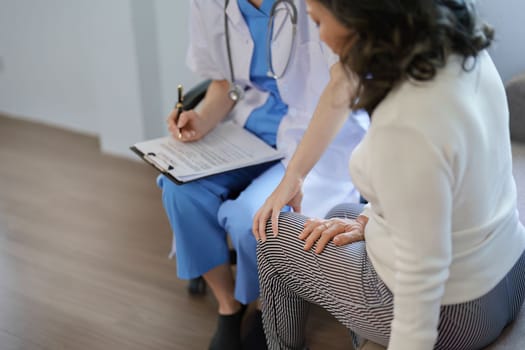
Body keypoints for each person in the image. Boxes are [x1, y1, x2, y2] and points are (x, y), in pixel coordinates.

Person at [253, 0, 525, 349]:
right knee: (339, 216)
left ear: (360, 18)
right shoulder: (457, 50)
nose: (320, 37)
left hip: (457, 311)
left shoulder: (404, 124)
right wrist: (367, 217)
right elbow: (448, 183)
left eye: (319, 21)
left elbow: (420, 286)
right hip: (508, 267)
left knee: (273, 239)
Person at [157, 0, 368, 349]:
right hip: (249, 126)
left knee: (252, 219)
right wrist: (201, 119)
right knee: (180, 188)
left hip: (317, 135)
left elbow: (342, 82)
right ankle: (229, 305)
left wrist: (296, 175)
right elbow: (225, 83)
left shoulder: (319, 5)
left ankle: (264, 308)